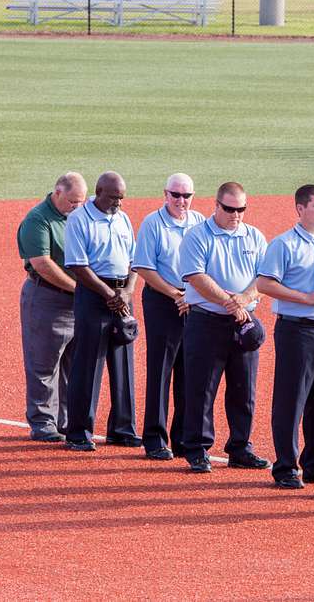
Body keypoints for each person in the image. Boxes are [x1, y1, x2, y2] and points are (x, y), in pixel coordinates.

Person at [178, 182, 270, 473]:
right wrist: (230, 302)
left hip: (243, 322)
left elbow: (264, 279)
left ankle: (240, 447)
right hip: (207, 320)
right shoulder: (198, 236)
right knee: (201, 388)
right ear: (216, 206)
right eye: (230, 209)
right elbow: (196, 276)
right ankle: (196, 447)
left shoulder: (254, 236)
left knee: (245, 389)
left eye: (241, 209)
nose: (236, 215)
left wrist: (244, 299)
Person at [256, 184, 314, 489]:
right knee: (292, 400)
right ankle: (286, 466)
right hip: (296, 329)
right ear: (300, 209)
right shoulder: (283, 244)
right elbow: (264, 284)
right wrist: (304, 298)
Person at [131, 173, 206, 460]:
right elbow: (145, 268)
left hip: (194, 302)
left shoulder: (200, 222)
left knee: (190, 372)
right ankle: (154, 438)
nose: (181, 201)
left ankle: (184, 439)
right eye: (175, 195)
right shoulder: (153, 223)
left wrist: (193, 295)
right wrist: (177, 294)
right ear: (165, 194)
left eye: (186, 196)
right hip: (163, 301)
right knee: (161, 370)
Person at [63, 171, 139, 452]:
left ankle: (122, 429)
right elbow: (78, 265)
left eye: (122, 198)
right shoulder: (79, 220)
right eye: (114, 197)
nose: (119, 203)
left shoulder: (123, 218)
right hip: (94, 296)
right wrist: (109, 294)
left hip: (121, 295)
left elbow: (134, 259)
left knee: (123, 364)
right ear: (99, 191)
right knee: (88, 364)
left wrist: (127, 292)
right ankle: (79, 431)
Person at [17, 172, 87, 442]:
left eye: (80, 202)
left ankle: (65, 419)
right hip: (47, 297)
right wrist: (79, 288)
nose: (76, 207)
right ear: (57, 192)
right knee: (43, 363)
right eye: (72, 201)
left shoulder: (77, 216)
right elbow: (43, 264)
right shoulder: (38, 219)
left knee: (71, 362)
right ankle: (42, 421)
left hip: (74, 299)